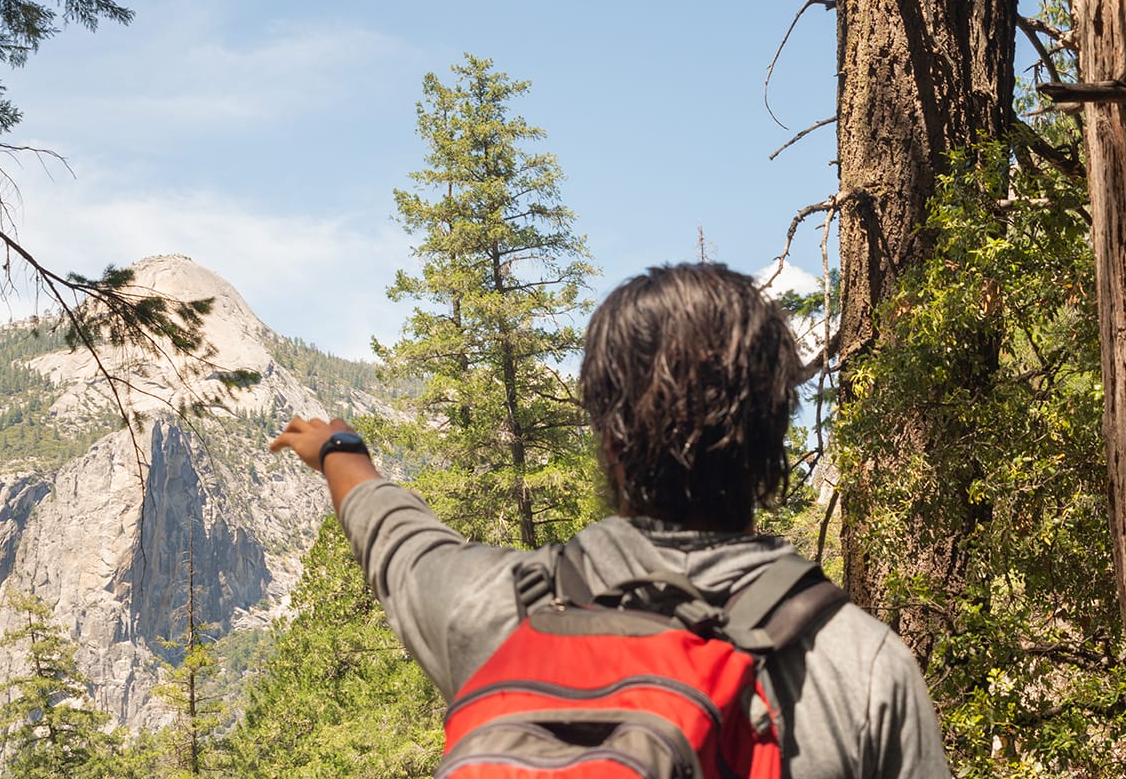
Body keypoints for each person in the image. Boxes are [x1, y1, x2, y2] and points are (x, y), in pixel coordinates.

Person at [270, 262, 951, 779]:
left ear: (610, 440)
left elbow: (398, 540)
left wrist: (340, 452)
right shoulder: (859, 670)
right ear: (772, 444)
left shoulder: (490, 613)